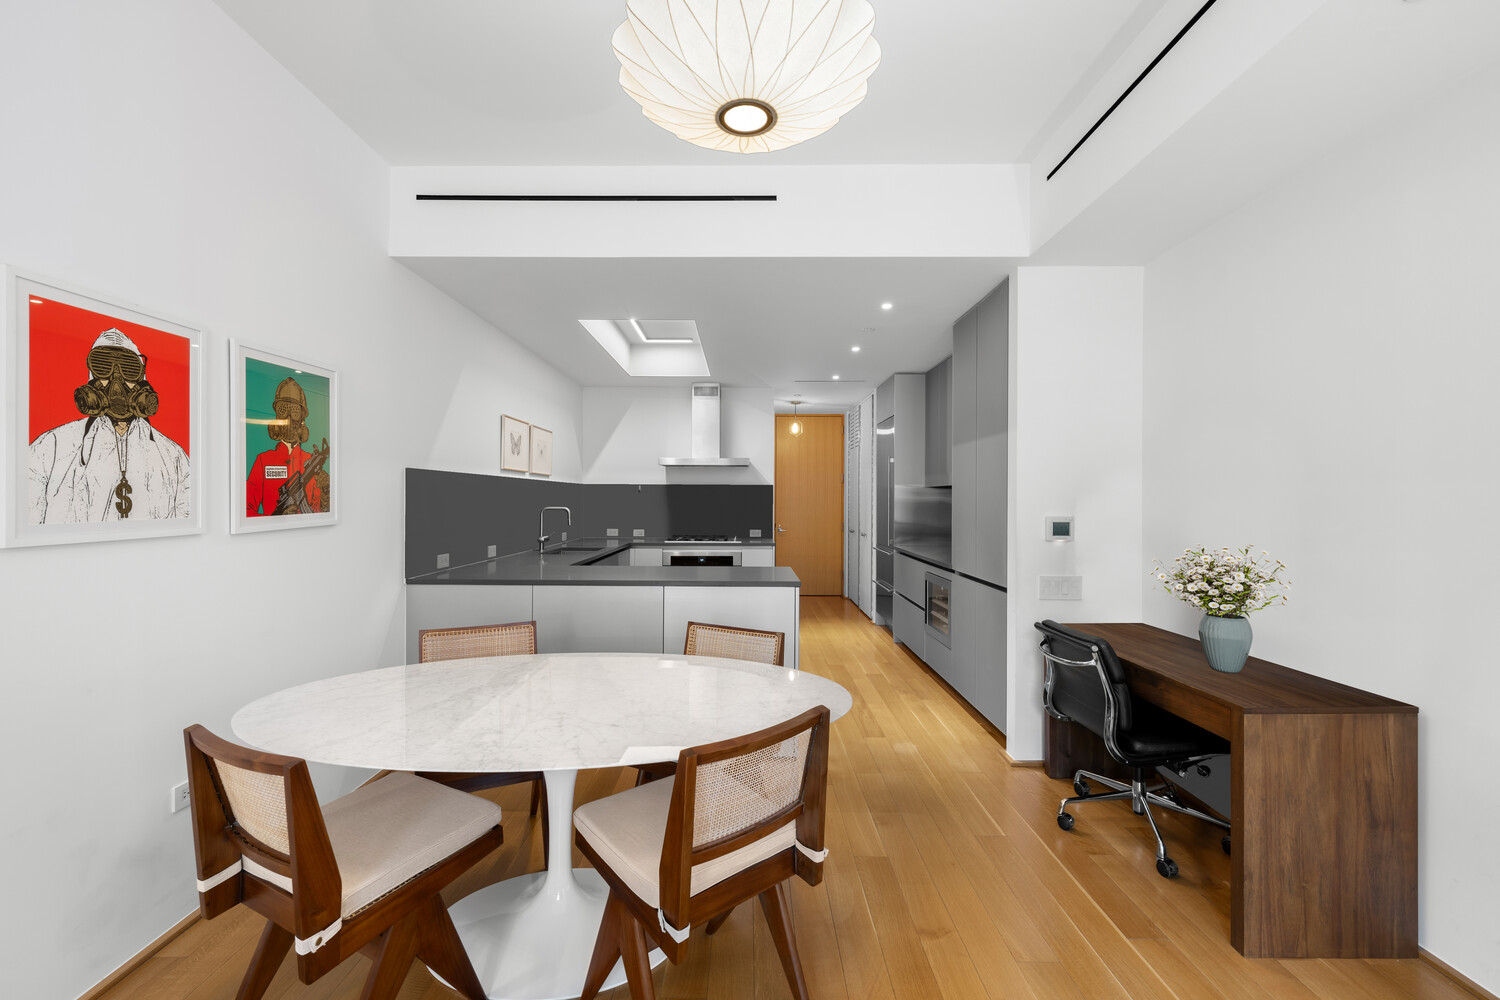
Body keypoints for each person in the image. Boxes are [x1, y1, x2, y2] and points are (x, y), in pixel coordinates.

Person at [28, 328, 190, 523]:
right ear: (92, 377)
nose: (116, 381)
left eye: (128, 369)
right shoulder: (51, 448)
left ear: (142, 379)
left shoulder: (174, 457)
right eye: (103, 366)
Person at [245, 376, 328, 516]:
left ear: (302, 418)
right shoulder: (263, 461)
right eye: (283, 409)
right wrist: (277, 519)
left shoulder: (310, 461)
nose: (289, 418)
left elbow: (320, 511)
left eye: (295, 412)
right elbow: (245, 511)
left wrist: (326, 493)